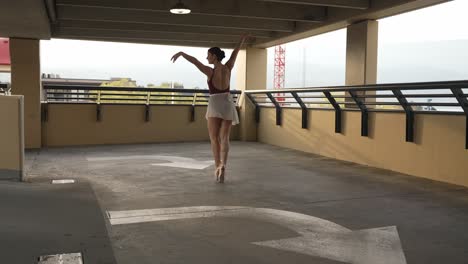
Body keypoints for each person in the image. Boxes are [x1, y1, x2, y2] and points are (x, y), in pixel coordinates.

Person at [171, 34, 249, 183]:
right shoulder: (228, 67)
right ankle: (224, 165)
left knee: (214, 139)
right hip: (227, 102)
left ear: (213, 56)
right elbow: (235, 53)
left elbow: (195, 62)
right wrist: (242, 40)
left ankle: (217, 166)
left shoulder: (209, 71)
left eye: (208, 56)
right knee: (224, 137)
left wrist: (181, 53)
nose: (206, 58)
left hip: (215, 103)